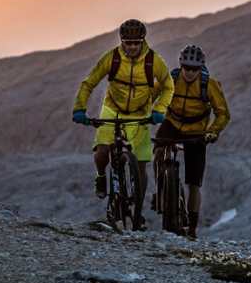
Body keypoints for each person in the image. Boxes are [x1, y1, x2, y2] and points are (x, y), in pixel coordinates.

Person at [72, 19, 174, 228]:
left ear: (143, 41)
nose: (132, 47)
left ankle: (137, 210)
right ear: (122, 41)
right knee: (102, 152)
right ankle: (101, 176)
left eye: (136, 43)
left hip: (140, 113)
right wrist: (79, 109)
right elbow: (89, 83)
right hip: (113, 110)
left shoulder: (153, 61)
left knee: (141, 164)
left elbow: (168, 86)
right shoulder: (112, 58)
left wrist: (159, 110)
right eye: (128, 42)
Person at [153, 44, 230, 239]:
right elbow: (150, 96)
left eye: (194, 69)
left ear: (201, 68)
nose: (189, 72)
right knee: (158, 148)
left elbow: (223, 114)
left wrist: (212, 132)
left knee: (194, 183)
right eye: (186, 67)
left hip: (197, 131)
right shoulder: (171, 80)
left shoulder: (209, 84)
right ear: (181, 65)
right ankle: (161, 187)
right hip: (172, 123)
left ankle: (193, 228)